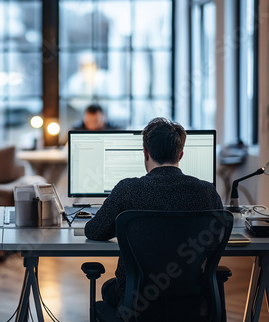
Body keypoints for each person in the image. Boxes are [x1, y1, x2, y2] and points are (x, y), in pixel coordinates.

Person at [84, 117, 222, 311]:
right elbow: (217, 239)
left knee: (109, 289)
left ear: (146, 153)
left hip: (137, 302)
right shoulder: (207, 192)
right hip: (192, 302)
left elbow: (94, 231)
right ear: (180, 154)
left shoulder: (128, 189)